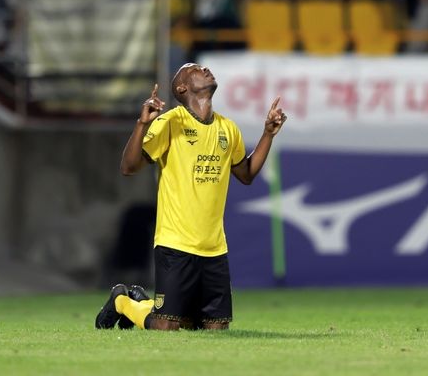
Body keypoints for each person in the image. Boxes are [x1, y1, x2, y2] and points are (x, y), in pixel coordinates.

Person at [96, 63, 287, 331]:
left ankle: (144, 302)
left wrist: (268, 134)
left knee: (213, 327)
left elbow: (246, 174)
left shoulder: (228, 129)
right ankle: (123, 302)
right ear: (182, 88)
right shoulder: (170, 122)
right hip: (175, 243)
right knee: (166, 326)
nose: (205, 68)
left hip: (214, 247)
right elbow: (129, 167)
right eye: (195, 69)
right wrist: (142, 123)